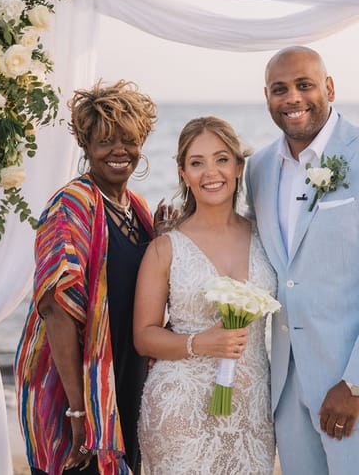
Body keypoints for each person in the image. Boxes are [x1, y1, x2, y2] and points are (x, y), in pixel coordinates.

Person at [245, 46, 359, 475]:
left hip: (357, 391)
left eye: (304, 85)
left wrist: (358, 384)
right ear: (267, 97)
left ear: (329, 87)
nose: (292, 98)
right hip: (288, 391)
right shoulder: (259, 169)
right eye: (279, 89)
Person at [14, 80, 157, 475]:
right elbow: (56, 312)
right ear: (85, 146)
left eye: (128, 140)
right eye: (105, 141)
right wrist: (78, 411)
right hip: (69, 387)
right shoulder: (69, 206)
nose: (119, 151)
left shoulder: (137, 209)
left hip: (119, 376)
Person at [134, 116, 277, 474]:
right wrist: (200, 343)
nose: (211, 172)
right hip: (181, 410)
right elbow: (144, 336)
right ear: (183, 173)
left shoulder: (269, 237)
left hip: (253, 410)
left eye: (221, 159)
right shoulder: (166, 248)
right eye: (197, 163)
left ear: (239, 166)